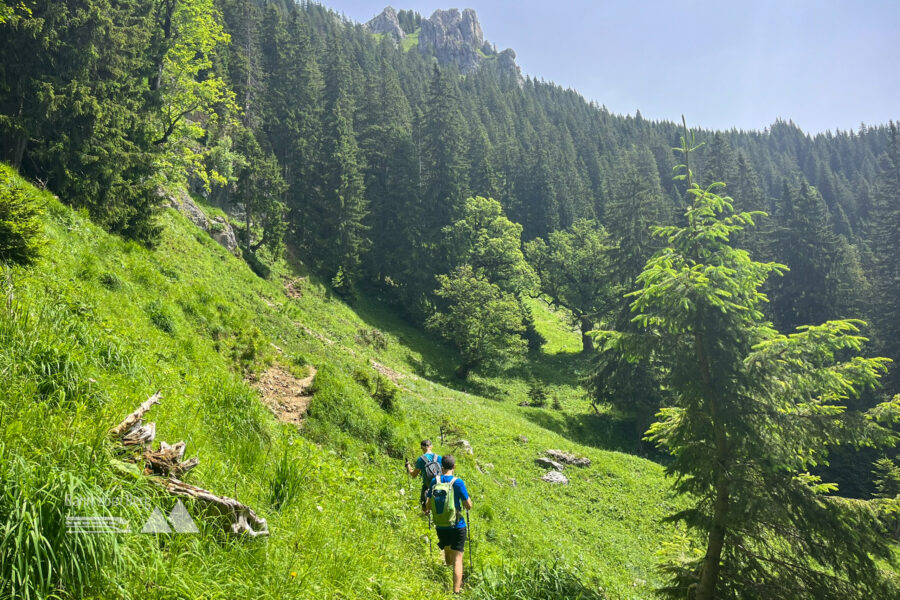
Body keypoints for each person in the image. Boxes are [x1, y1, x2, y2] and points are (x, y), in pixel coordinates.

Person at [425, 454, 472, 594]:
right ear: (454, 467)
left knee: (446, 548)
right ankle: (456, 592)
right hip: (457, 525)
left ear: (442, 467)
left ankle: (447, 572)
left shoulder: (435, 481)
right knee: (458, 558)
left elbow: (428, 505)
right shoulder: (458, 482)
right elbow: (468, 505)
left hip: (441, 524)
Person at [405, 439, 442, 513]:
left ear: (421, 447)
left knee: (425, 507)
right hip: (440, 485)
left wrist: (408, 466)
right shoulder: (439, 458)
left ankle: (426, 518)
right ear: (431, 446)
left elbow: (414, 475)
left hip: (427, 486)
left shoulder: (421, 460)